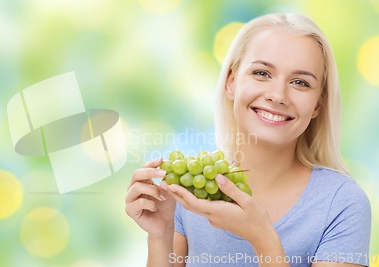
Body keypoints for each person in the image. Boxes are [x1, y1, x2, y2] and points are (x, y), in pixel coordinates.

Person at [125, 13, 371, 267]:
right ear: (231, 82)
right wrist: (159, 237)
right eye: (262, 73)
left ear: (318, 103)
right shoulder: (191, 191)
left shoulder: (342, 203)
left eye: (300, 82)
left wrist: (261, 237)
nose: (278, 95)